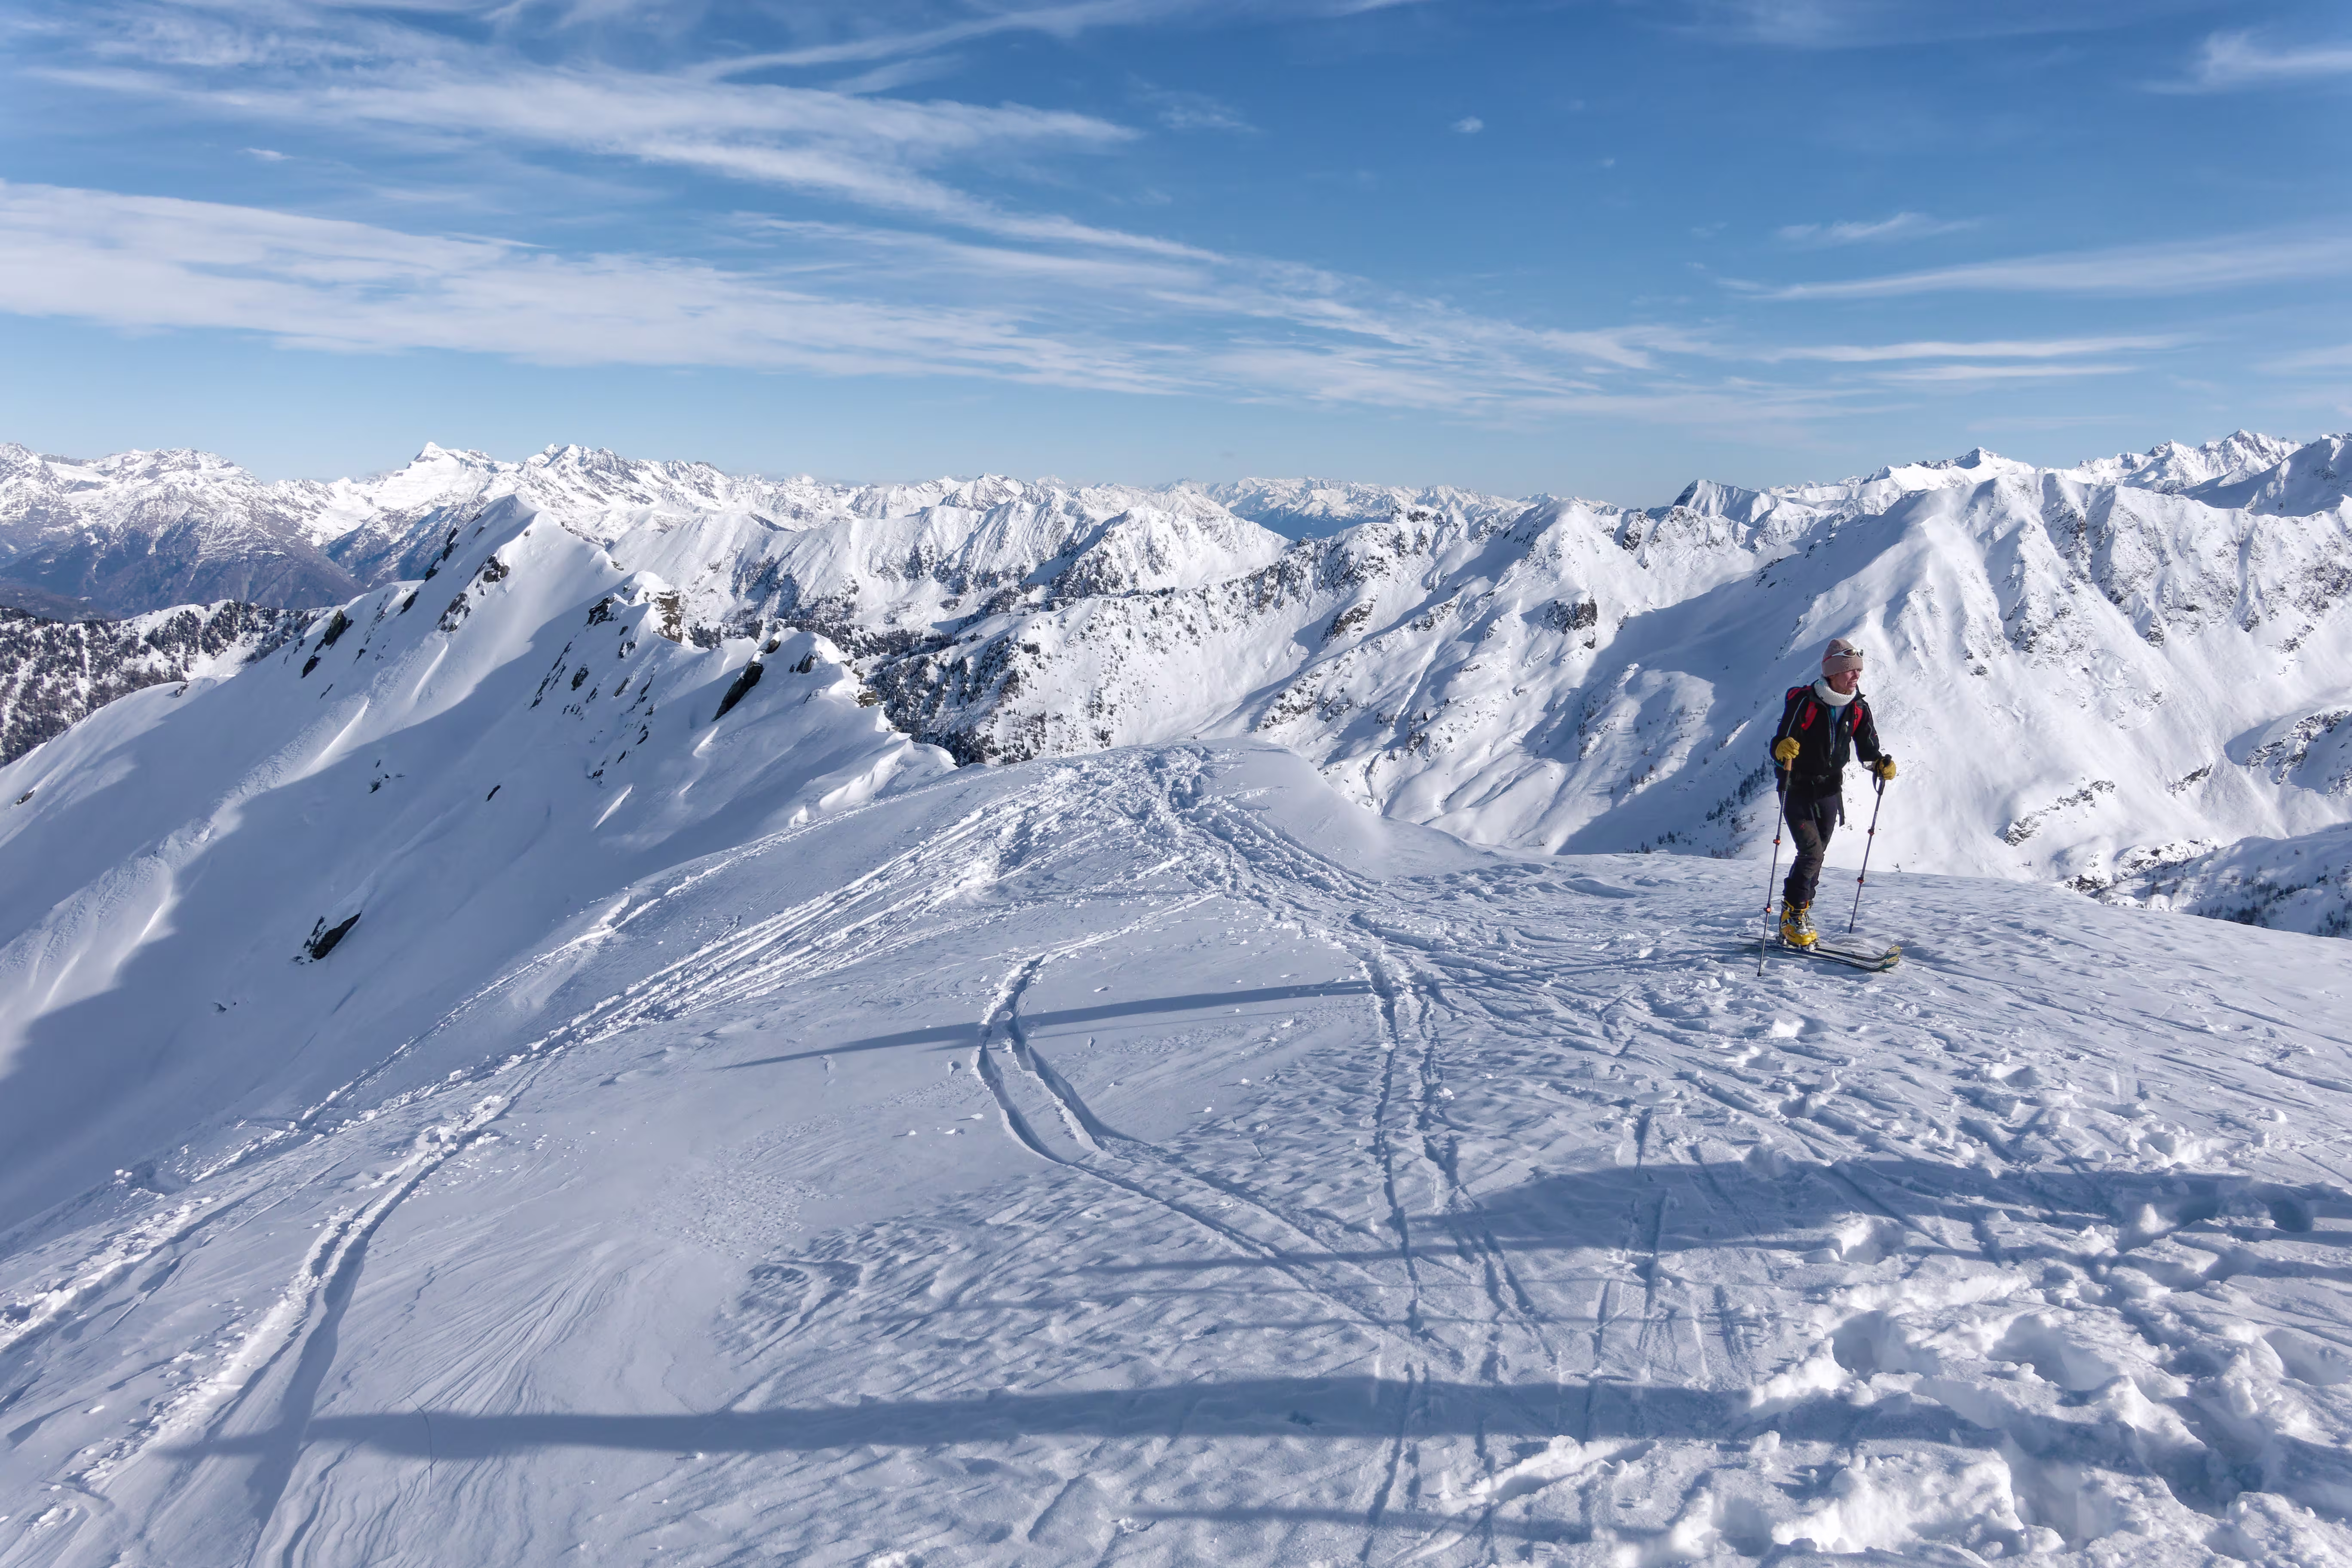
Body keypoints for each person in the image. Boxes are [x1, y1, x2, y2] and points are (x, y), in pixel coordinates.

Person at [1768, 637, 1896, 947]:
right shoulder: (1806, 702)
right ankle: (1795, 914)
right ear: (1832, 674)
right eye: (1850, 671)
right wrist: (1780, 750)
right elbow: (1780, 741)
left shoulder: (1858, 708)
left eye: (1857, 671)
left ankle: (1797, 911)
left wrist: (1880, 763)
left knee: (1817, 855)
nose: (1856, 676)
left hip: (1829, 790)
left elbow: (1867, 748)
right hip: (1797, 787)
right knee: (1811, 852)